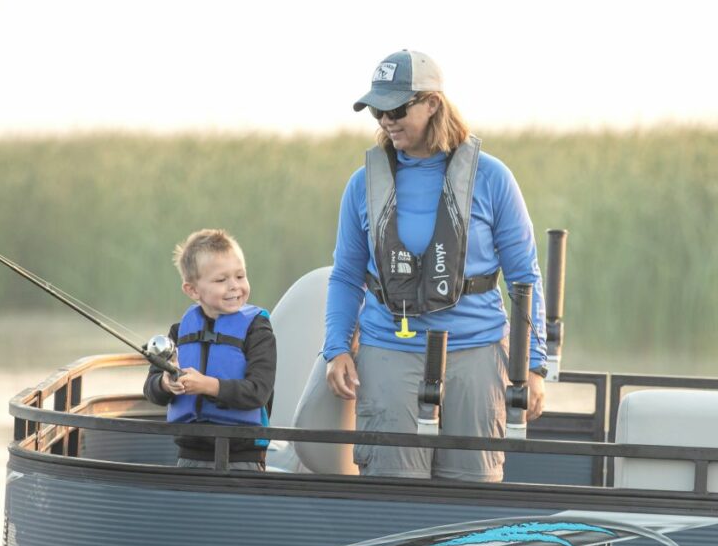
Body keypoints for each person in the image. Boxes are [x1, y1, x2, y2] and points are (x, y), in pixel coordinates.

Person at [324, 49, 546, 481]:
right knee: (392, 490)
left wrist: (533, 367)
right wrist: (335, 349)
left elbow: (525, 276)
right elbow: (346, 275)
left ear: (432, 104)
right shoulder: (362, 183)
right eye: (376, 109)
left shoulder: (492, 177)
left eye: (397, 107)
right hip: (389, 346)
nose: (385, 119)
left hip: (477, 349)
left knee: (473, 489)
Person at [145, 229, 277, 470]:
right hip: (189, 455)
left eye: (240, 276)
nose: (234, 286)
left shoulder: (258, 329)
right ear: (193, 290)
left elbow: (258, 391)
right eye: (221, 280)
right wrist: (166, 383)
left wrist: (207, 385)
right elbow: (151, 389)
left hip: (242, 457)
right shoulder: (179, 332)